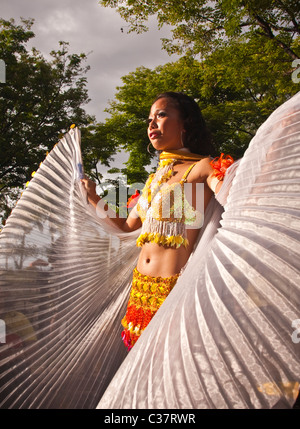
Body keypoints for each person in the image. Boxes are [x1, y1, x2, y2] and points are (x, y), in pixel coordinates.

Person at [81, 91, 233, 350]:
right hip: (140, 291)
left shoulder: (202, 169)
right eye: (149, 119)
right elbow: (127, 227)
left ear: (186, 123)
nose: (151, 124)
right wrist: (93, 197)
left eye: (161, 115)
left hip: (174, 291)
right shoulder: (153, 181)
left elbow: (237, 199)